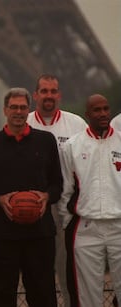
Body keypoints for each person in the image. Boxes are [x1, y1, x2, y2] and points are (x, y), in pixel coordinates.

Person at [0, 88, 63, 307]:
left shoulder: (46, 141)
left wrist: (46, 196)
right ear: (5, 110)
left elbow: (58, 184)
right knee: (1, 295)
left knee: (43, 294)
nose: (18, 111)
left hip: (40, 233)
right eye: (14, 107)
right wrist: (0, 200)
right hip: (2, 235)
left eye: (23, 107)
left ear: (29, 109)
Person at [27, 73, 87, 306]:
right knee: (37, 268)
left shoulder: (76, 124)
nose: (49, 96)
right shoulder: (25, 122)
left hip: (68, 206)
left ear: (59, 95)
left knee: (68, 268)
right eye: (44, 91)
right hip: (34, 207)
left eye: (53, 91)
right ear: (36, 95)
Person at [57, 94, 121, 306]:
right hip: (86, 228)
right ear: (87, 115)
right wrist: (69, 223)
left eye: (105, 109)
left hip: (119, 226)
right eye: (97, 110)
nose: (102, 114)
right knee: (87, 297)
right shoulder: (72, 146)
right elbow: (66, 189)